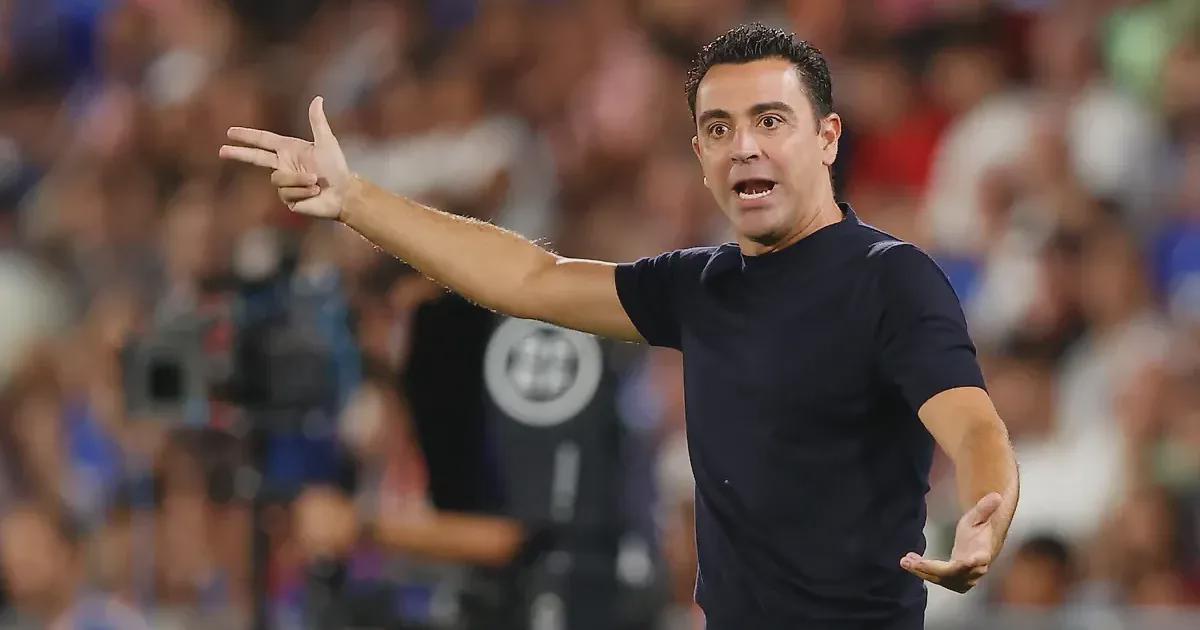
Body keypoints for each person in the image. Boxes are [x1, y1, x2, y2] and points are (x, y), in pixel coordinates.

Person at [221, 22, 1019, 630]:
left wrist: (987, 510)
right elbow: (527, 279)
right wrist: (355, 200)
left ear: (827, 137)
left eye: (771, 120)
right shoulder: (698, 286)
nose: (744, 146)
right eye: (719, 128)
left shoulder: (890, 279)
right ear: (699, 153)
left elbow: (974, 424)